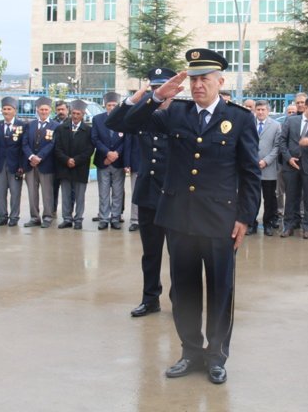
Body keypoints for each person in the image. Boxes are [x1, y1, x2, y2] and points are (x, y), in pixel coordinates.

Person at [116, 48, 260, 385]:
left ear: (220, 81)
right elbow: (121, 123)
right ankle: (191, 351)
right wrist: (153, 98)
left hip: (220, 220)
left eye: (204, 79)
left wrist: (245, 218)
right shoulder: (174, 112)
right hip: (180, 218)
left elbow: (249, 172)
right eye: (193, 79)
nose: (197, 86)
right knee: (185, 289)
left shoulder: (239, 118)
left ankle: (216, 356)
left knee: (221, 290)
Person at [106, 67, 176, 317]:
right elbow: (112, 122)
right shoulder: (143, 115)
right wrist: (132, 101)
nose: (158, 92)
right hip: (148, 194)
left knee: (178, 254)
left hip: (174, 197)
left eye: (162, 87)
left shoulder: (182, 113)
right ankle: (150, 299)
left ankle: (177, 300)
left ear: (174, 89)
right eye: (155, 88)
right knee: (151, 253)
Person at [279, 97, 308, 239]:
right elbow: (282, 141)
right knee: (291, 196)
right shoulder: (291, 121)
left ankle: (307, 226)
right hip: (291, 165)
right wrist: (288, 158)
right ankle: (289, 225)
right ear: (306, 107)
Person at [53, 100, 95, 230]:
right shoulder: (61, 128)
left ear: (83, 115)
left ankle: (78, 219)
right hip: (65, 166)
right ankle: (67, 218)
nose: (75, 116)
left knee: (79, 195)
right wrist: (67, 160)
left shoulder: (88, 130)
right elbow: (57, 147)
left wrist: (76, 160)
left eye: (78, 114)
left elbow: (89, 149)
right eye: (74, 113)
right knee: (65, 194)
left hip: (80, 167)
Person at [91, 92, 130, 230]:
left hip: (118, 162)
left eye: (114, 105)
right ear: (105, 105)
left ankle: (115, 218)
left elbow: (126, 140)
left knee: (118, 192)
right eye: (109, 105)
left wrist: (116, 154)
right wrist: (107, 153)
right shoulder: (97, 119)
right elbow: (95, 139)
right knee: (103, 191)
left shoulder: (124, 119)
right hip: (103, 161)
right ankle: (103, 218)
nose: (112, 107)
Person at [23, 96, 60, 228]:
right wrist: (31, 156)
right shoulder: (30, 125)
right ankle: (34, 217)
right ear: (37, 110)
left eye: (46, 109)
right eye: (41, 109)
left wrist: (40, 157)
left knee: (47, 192)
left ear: (50, 110)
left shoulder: (55, 126)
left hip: (46, 164)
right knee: (32, 192)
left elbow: (53, 144)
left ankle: (48, 216)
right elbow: (25, 143)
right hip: (31, 165)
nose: (43, 111)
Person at [0, 97, 27, 226]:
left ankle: (14, 217)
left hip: (15, 165)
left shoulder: (22, 126)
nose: (6, 111)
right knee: (1, 192)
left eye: (9, 109)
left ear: (15, 111)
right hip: (0, 164)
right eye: (4, 109)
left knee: (15, 192)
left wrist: (22, 165)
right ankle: (3, 216)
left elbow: (23, 147)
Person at [252, 99, 282, 236]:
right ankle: (251, 223)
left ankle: (268, 223)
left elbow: (277, 147)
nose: (260, 112)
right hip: (251, 168)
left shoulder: (276, 125)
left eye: (263, 109)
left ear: (268, 111)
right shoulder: (249, 123)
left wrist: (266, 161)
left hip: (268, 169)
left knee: (269, 199)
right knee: (253, 198)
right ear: (255, 110)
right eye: (258, 109)